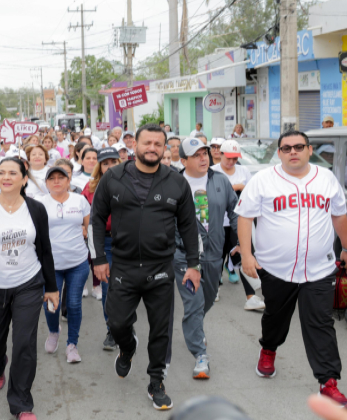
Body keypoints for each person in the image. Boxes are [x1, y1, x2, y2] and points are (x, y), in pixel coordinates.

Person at [235, 130, 347, 409]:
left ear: (309, 150)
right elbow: (245, 217)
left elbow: (339, 215)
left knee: (321, 324)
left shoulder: (326, 178)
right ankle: (268, 349)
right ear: (279, 153)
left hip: (319, 269)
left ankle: (328, 383)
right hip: (276, 269)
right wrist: (247, 254)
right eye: (287, 148)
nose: (293, 152)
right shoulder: (263, 180)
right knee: (275, 318)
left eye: (299, 147)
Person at [90, 124, 201, 411]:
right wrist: (99, 259)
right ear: (135, 146)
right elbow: (96, 218)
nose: (152, 148)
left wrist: (193, 264)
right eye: (147, 143)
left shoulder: (176, 182)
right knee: (117, 323)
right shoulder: (114, 177)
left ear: (164, 149)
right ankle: (127, 347)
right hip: (123, 267)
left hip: (160, 268)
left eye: (158, 144)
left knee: (161, 330)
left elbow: (189, 226)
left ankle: (156, 382)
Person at [0, 157, 58, 420]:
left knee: (24, 343)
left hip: (28, 283)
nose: (6, 177)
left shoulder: (36, 209)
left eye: (12, 173)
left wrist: (51, 287)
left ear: (24, 179)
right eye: (2, 172)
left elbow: (45, 249)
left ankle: (21, 403)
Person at [165, 137, 239, 380]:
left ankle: (194, 325)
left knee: (207, 300)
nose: (203, 158)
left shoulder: (220, 180)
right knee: (194, 303)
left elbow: (235, 212)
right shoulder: (173, 183)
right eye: (196, 155)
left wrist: (241, 241)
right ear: (183, 160)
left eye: (205, 153)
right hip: (183, 256)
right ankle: (200, 355)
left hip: (214, 253)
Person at [37, 166, 91, 362]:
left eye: (61, 177)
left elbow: (88, 227)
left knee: (74, 304)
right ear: (46, 183)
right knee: (51, 305)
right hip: (51, 266)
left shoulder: (80, 200)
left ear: (69, 182)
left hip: (78, 262)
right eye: (52, 178)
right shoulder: (40, 203)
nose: (57, 181)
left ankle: (72, 344)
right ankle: (54, 331)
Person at [211, 140, 263, 310]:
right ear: (221, 154)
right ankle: (214, 289)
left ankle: (251, 296)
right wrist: (236, 187)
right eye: (229, 158)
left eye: (235, 158)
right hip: (218, 222)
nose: (232, 161)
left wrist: (242, 187)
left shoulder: (243, 170)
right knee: (217, 256)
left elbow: (252, 193)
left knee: (244, 255)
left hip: (239, 221)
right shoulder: (212, 171)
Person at [82, 147, 122, 350]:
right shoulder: (90, 187)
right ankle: (112, 330)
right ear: (99, 166)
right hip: (104, 242)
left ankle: (125, 325)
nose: (110, 166)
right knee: (108, 289)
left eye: (114, 162)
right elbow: (84, 216)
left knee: (128, 289)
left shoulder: (131, 183)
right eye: (105, 163)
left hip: (128, 242)